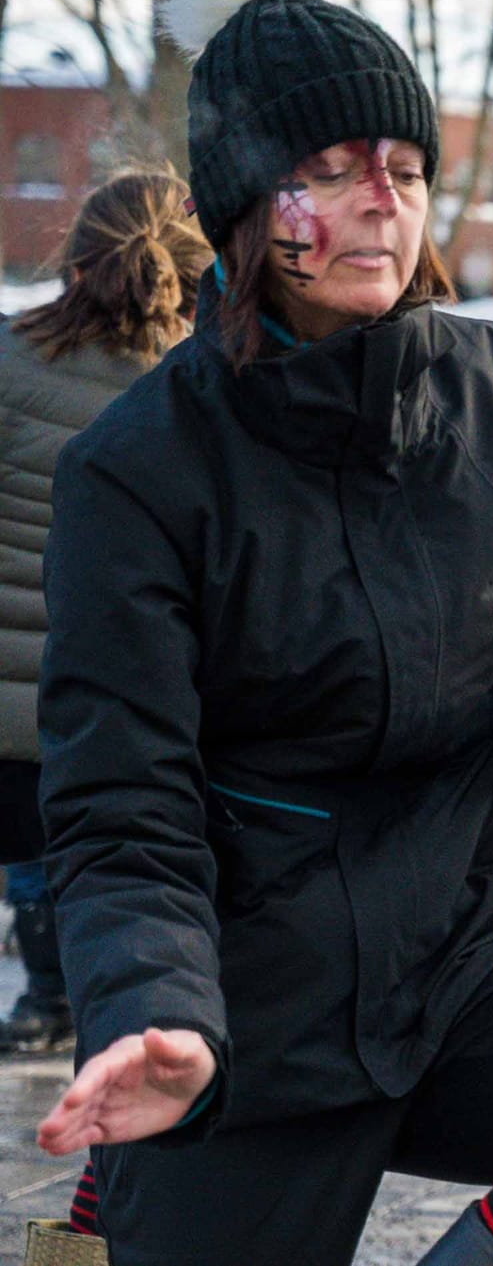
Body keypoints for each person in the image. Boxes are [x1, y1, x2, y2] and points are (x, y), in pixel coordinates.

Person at [30, 0, 493, 1264]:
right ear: (247, 205)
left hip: (468, 968)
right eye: (332, 168)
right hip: (250, 1016)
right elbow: (122, 805)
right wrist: (159, 1009)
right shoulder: (134, 471)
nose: (385, 196)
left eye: (408, 166)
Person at [0, 172, 212, 1054]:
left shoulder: (7, 357)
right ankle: (92, 1008)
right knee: (90, 858)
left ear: (76, 260)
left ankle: (47, 997)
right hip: (114, 708)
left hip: (5, 718)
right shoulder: (202, 392)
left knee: (27, 845)